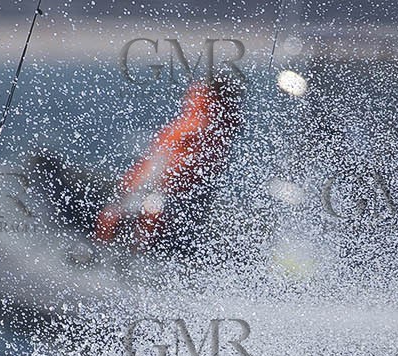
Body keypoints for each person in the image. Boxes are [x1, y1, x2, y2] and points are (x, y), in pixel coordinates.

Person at [28, 71, 246, 254]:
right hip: (153, 190)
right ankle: (106, 252)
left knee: (133, 214)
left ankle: (119, 257)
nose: (192, 94)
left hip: (169, 196)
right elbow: (157, 162)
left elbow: (169, 170)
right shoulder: (200, 124)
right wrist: (132, 186)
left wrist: (138, 191)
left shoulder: (202, 127)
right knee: (113, 210)